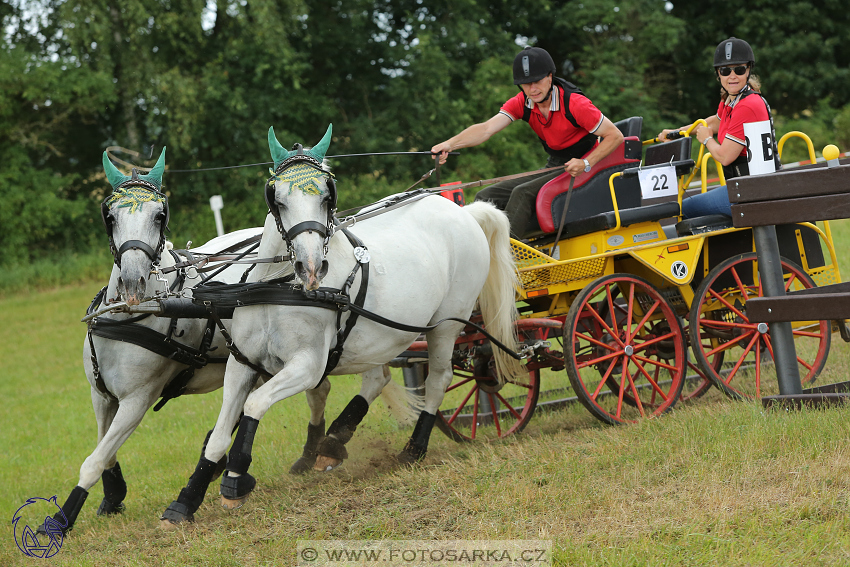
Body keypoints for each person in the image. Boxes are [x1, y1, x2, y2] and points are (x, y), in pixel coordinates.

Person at [431, 46, 624, 238]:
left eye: (537, 81)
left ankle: (507, 257)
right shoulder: (522, 102)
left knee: (522, 193)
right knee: (485, 197)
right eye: (526, 84)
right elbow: (486, 129)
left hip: (584, 167)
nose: (532, 89)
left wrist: (585, 163)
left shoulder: (575, 103)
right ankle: (477, 249)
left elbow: (615, 136)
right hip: (556, 165)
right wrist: (450, 143)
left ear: (550, 77)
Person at [658, 37, 780, 219]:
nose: (732, 76)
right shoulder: (732, 100)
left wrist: (707, 139)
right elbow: (714, 122)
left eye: (738, 70)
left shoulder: (747, 105)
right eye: (725, 70)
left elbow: (724, 156)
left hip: (753, 193)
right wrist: (677, 132)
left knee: (682, 209)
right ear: (718, 74)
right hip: (747, 188)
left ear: (748, 70)